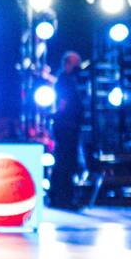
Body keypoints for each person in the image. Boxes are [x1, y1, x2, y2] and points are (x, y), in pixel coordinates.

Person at [48, 51, 85, 209]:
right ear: (67, 64)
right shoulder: (64, 80)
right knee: (65, 161)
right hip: (66, 126)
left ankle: (60, 197)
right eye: (75, 64)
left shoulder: (69, 80)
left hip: (68, 124)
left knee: (66, 161)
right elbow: (63, 103)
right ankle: (61, 198)